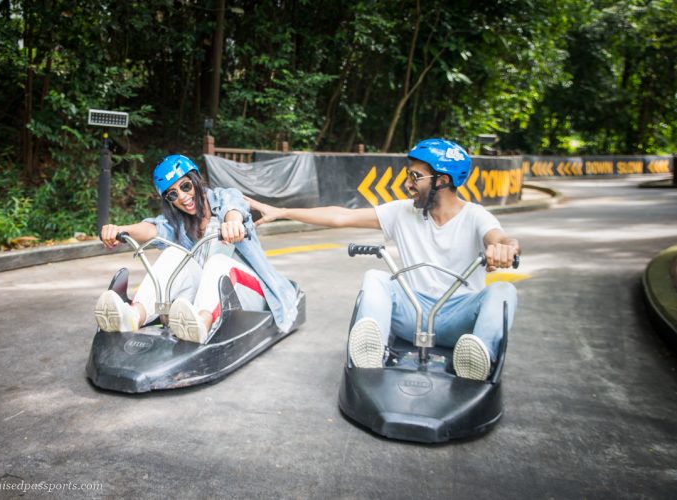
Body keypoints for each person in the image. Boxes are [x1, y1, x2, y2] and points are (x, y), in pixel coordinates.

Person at [247, 138, 520, 380]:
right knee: (375, 277)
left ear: (443, 180)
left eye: (415, 177)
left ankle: (477, 357)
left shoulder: (476, 216)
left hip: (457, 318)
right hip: (412, 311)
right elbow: (341, 216)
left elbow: (500, 239)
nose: (407, 184)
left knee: (504, 291)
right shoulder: (401, 212)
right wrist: (281, 211)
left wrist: (505, 248)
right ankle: (370, 348)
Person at [94, 154, 298, 343]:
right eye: (172, 195)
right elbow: (153, 229)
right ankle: (132, 316)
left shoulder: (225, 198)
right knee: (174, 253)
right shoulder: (180, 223)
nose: (182, 197)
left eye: (185, 186)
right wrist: (121, 230)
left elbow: (234, 208)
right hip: (208, 296)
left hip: (249, 293)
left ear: (196, 180)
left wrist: (232, 223)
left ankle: (201, 324)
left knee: (217, 262)